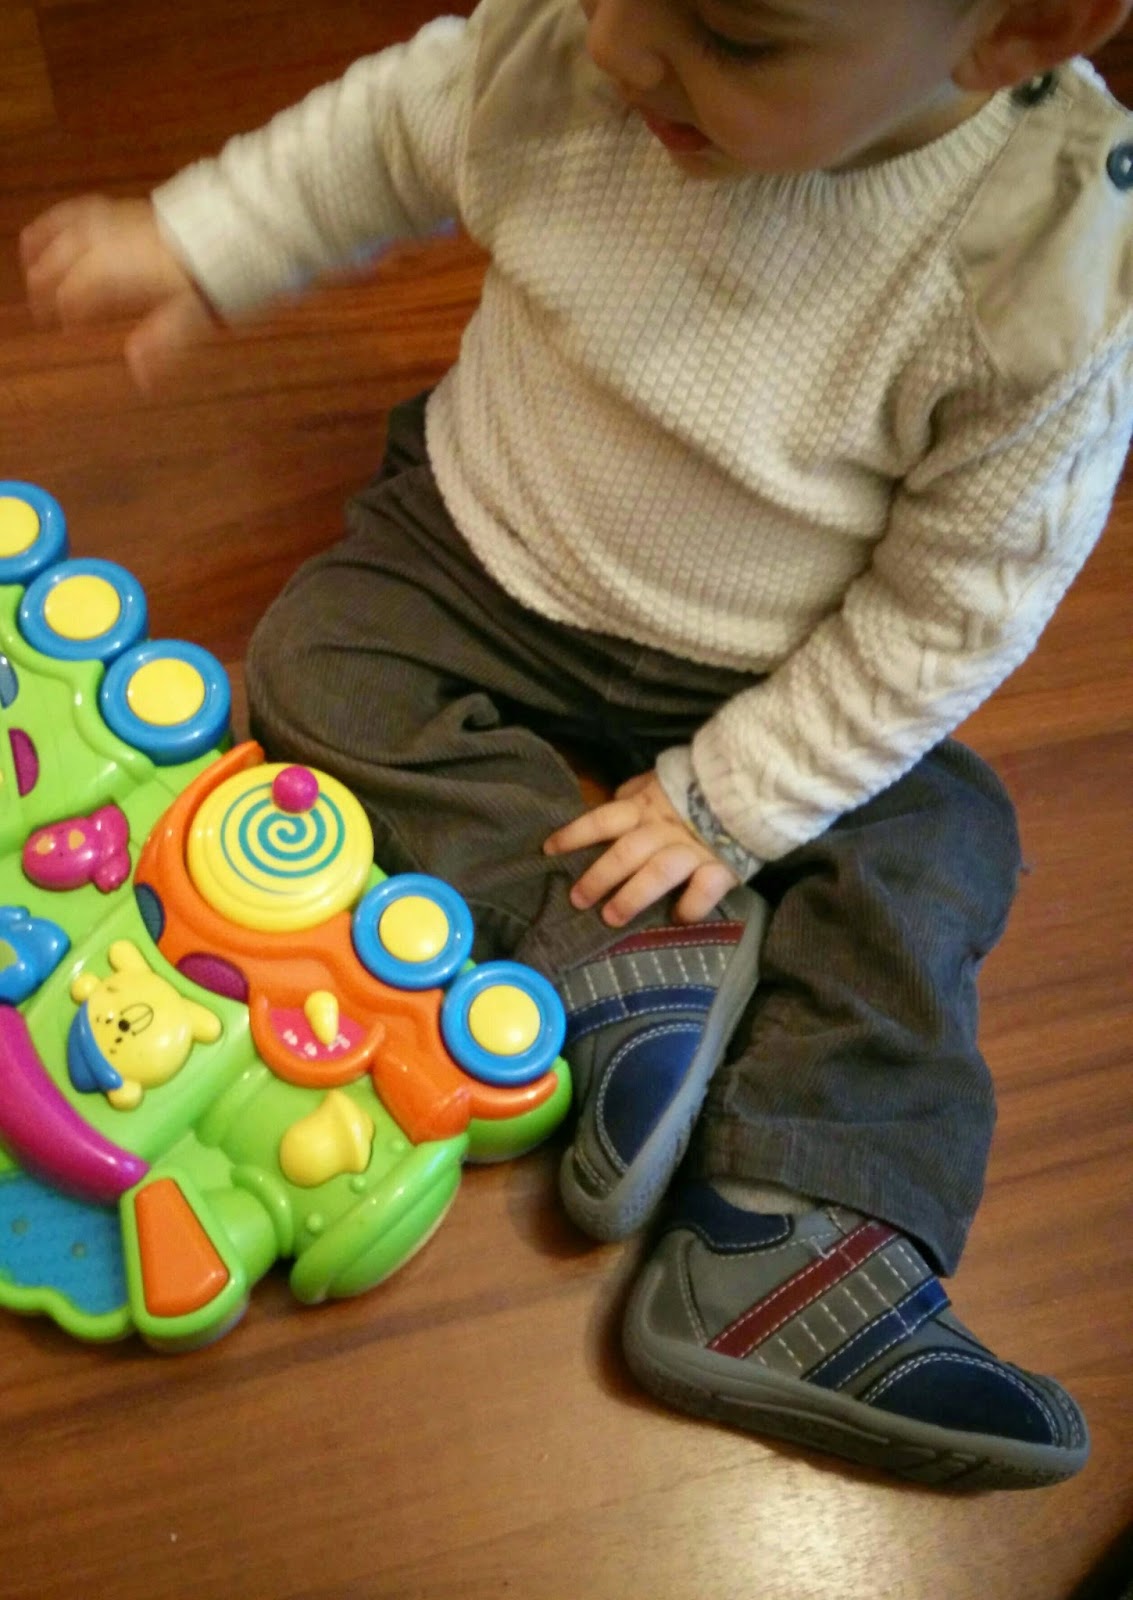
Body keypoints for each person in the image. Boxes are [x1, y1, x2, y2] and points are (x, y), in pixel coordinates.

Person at [21, 0, 1132, 1490]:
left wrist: (732, 798)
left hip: (789, 661)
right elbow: (391, 130)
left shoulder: (1047, 277)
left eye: (731, 37)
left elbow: (949, 615)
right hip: (485, 547)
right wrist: (202, 239)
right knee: (314, 660)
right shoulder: (575, 45)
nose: (614, 48)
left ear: (1017, 30)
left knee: (937, 843)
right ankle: (606, 951)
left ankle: (790, 1232)